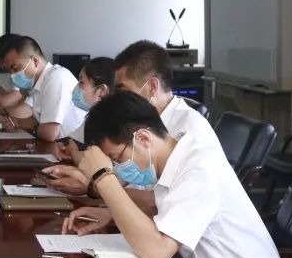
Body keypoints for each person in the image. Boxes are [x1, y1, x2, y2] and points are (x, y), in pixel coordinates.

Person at [61, 91, 292, 258]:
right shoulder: (179, 153)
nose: (118, 168)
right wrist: (111, 211)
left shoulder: (199, 168)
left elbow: (155, 254)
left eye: (117, 159)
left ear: (143, 138)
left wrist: (104, 179)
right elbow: (156, 202)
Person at [45, 40, 219, 197]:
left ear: (152, 87)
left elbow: (157, 203)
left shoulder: (190, 131)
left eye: (123, 89)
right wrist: (92, 186)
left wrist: (96, 187)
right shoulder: (137, 121)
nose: (117, 96)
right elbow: (123, 181)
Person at [0, 34, 85, 141]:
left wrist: (29, 126)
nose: (12, 75)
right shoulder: (37, 84)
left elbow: (49, 134)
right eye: (10, 71)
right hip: (61, 145)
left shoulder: (55, 79)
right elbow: (37, 121)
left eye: (16, 68)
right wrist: (16, 122)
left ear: (35, 61)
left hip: (74, 147)